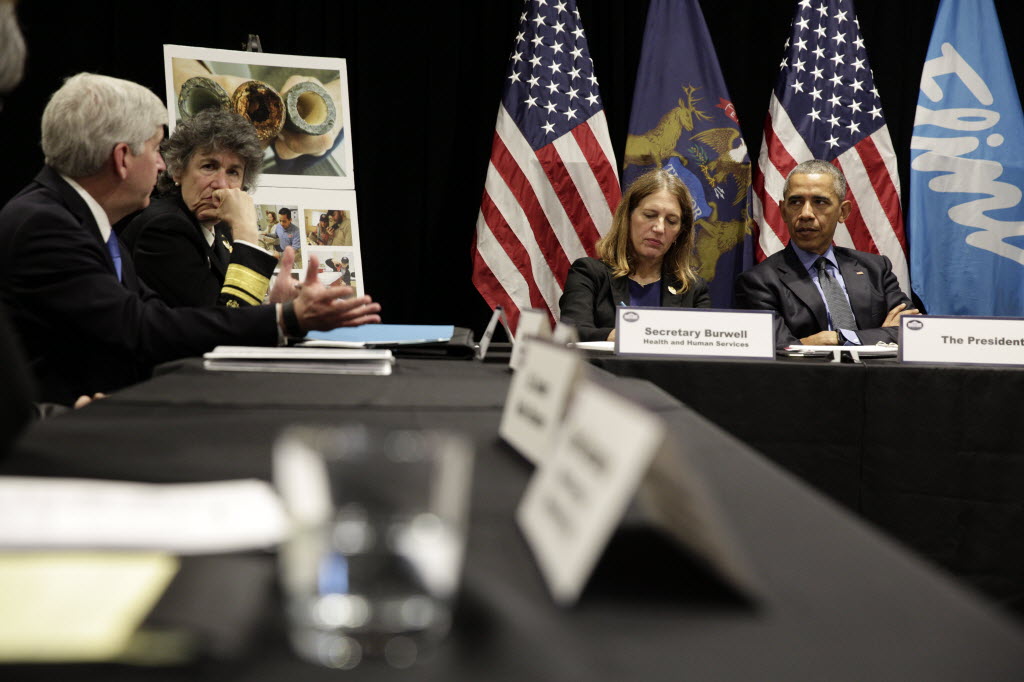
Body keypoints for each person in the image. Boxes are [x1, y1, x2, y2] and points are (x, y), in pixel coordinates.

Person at [0, 73, 381, 405]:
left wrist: (273, 308)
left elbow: (154, 316)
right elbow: (145, 329)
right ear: (122, 158)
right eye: (155, 149)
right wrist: (284, 314)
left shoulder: (76, 218)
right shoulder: (47, 223)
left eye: (234, 172)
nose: (160, 164)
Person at [735, 159, 917, 347]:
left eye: (820, 202)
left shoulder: (875, 269)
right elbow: (779, 350)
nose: (806, 213)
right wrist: (880, 335)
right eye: (796, 202)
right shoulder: (758, 281)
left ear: (843, 212)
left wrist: (837, 338)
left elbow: (912, 330)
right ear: (783, 211)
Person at [121, 109, 278, 308]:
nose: (221, 184)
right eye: (209, 167)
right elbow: (225, 321)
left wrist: (276, 305)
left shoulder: (219, 226)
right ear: (178, 171)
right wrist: (246, 232)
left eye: (233, 172)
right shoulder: (163, 228)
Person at [558, 168, 711, 341]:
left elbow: (703, 344)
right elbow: (572, 333)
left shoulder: (692, 289)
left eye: (671, 221)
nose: (659, 228)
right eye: (650, 215)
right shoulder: (589, 274)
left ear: (679, 232)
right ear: (627, 218)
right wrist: (634, 336)